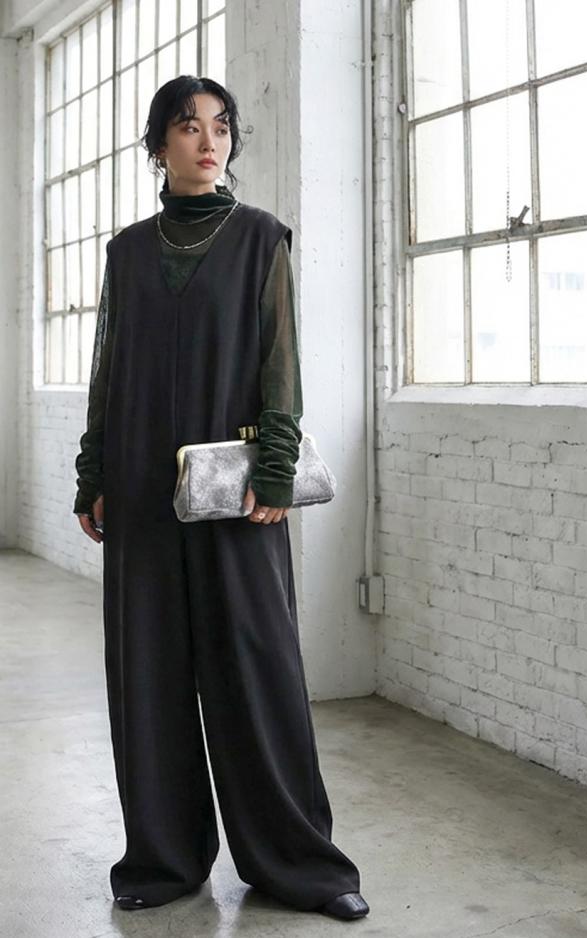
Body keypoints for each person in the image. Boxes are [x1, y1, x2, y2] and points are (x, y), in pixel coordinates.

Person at [72, 75, 369, 921]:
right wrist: (94, 473)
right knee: (149, 673)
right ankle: (164, 861)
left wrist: (276, 467)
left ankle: (302, 866)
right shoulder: (127, 253)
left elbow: (282, 359)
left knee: (257, 670)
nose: (209, 142)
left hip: (235, 493)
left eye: (221, 126)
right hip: (139, 490)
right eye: (189, 126)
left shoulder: (260, 238)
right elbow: (107, 369)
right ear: (158, 145)